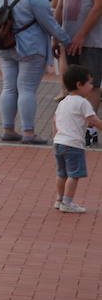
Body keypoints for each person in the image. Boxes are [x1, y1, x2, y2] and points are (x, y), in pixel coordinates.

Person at [0, 0, 71, 144]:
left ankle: (8, 129)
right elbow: (49, 23)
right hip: (31, 47)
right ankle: (29, 132)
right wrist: (66, 40)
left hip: (6, 44)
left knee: (9, 88)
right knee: (27, 89)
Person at [53, 65, 97, 213]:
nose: (92, 86)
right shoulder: (83, 102)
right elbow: (93, 120)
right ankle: (67, 202)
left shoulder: (63, 101)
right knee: (74, 175)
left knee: (62, 173)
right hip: (73, 144)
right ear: (79, 84)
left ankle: (59, 199)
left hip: (59, 142)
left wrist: (55, 136)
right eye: (89, 83)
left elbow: (55, 121)